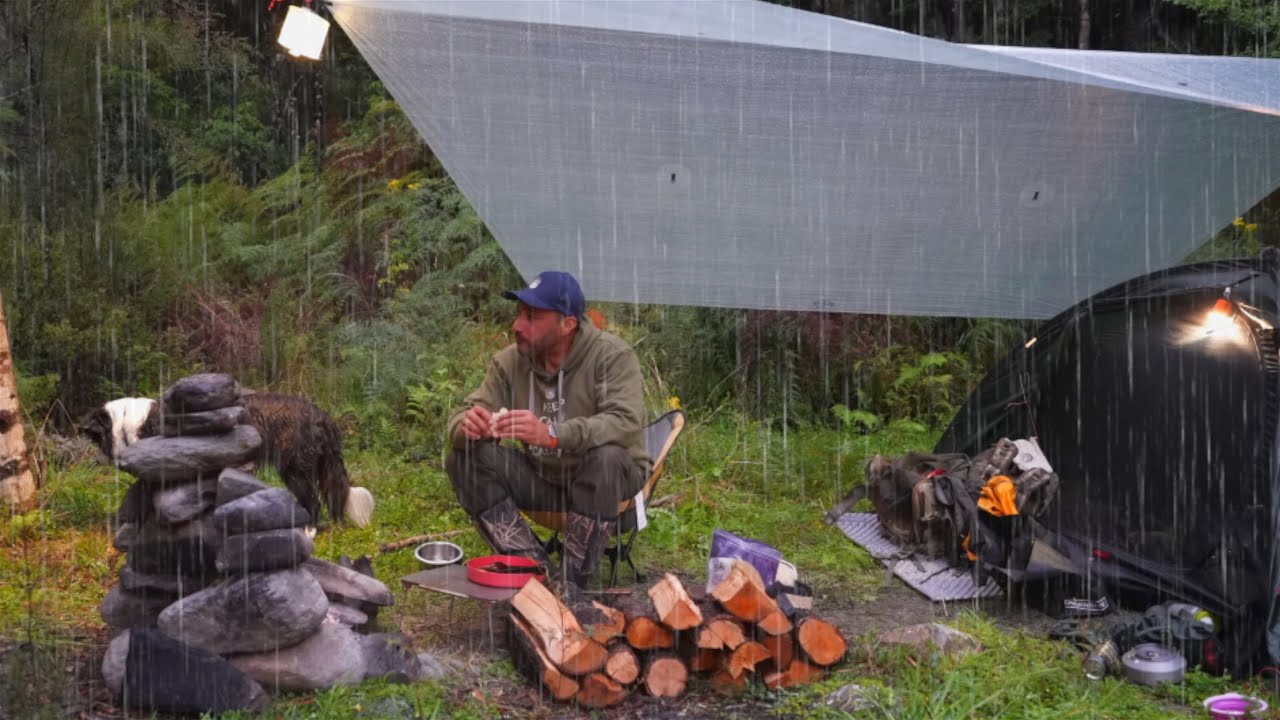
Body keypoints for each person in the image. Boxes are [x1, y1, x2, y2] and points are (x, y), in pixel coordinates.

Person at [446, 270, 649, 589]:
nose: (517, 325)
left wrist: (552, 434)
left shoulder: (612, 356)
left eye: (532, 317)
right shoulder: (510, 363)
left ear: (567, 324)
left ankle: (573, 582)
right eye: (519, 314)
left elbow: (624, 422)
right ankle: (533, 571)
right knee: (464, 457)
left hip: (610, 488)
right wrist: (468, 425)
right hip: (546, 481)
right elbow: (461, 417)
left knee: (607, 458)